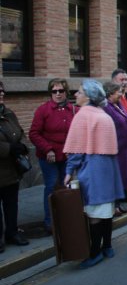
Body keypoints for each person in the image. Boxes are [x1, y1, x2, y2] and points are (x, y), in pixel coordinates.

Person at [63, 80, 125, 268]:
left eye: (80, 92)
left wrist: (68, 171)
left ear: (88, 96)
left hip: (93, 169)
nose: (76, 95)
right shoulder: (102, 114)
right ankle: (107, 246)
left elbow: (77, 148)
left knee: (94, 213)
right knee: (107, 210)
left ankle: (95, 252)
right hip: (109, 168)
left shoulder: (84, 115)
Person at [29, 78, 78, 234]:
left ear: (66, 92)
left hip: (67, 156)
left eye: (61, 91)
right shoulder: (43, 110)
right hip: (49, 156)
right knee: (51, 186)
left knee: (66, 187)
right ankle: (49, 221)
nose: (57, 94)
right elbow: (34, 133)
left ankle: (65, 218)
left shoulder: (73, 110)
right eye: (54, 91)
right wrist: (47, 149)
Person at [0, 81, 30, 251]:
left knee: (11, 204)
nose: (2, 93)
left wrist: (23, 146)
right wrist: (9, 148)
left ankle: (12, 233)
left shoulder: (9, 113)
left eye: (2, 90)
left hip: (12, 169)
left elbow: (20, 133)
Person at [103, 82, 127, 212]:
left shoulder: (119, 105)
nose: (121, 95)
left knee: (122, 175)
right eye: (118, 92)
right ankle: (115, 205)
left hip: (123, 147)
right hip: (114, 148)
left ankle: (119, 200)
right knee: (114, 177)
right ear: (110, 94)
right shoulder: (106, 107)